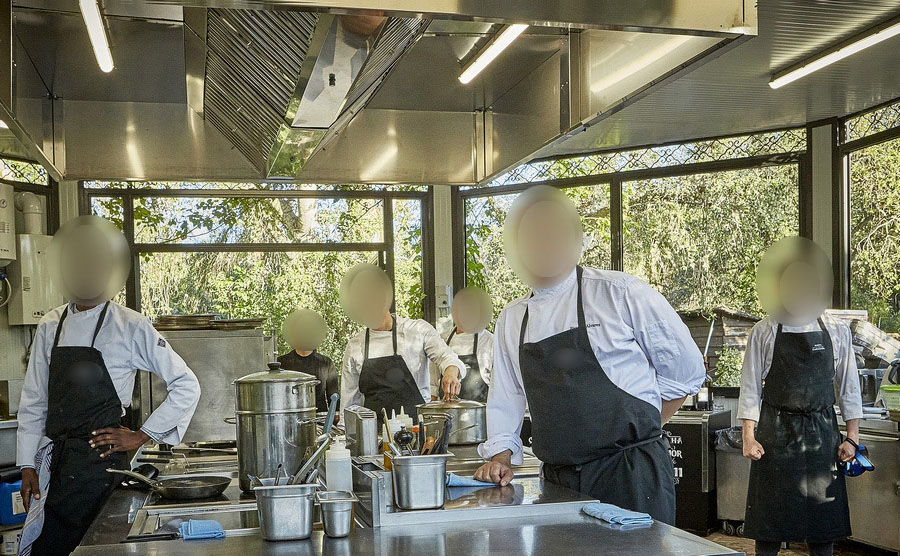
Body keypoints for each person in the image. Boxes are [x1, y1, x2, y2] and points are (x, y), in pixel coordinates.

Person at [473, 185, 705, 524]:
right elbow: (506, 398)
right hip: (559, 482)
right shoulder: (513, 318)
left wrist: (642, 430)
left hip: (631, 475)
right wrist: (500, 458)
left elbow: (685, 374)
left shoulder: (620, 293)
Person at [16, 216, 201, 556]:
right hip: (57, 465)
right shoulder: (50, 325)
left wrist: (141, 435)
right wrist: (27, 465)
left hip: (103, 466)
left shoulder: (130, 325)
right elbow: (34, 401)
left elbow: (187, 384)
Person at [739, 237, 862, 556]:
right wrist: (748, 437)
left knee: (822, 531)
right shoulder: (764, 330)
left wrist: (851, 438)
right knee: (769, 530)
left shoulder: (836, 330)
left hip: (822, 435)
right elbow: (750, 387)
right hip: (775, 436)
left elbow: (848, 386)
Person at [339, 263, 465, 418]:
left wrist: (450, 372)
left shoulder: (416, 330)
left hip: (418, 433)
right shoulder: (355, 346)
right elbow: (349, 406)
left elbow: (447, 357)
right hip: (374, 436)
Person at [430, 287, 494, 402]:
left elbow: (499, 388)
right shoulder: (442, 340)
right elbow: (433, 387)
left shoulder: (489, 341)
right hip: (446, 414)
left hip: (480, 415)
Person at [277, 308, 339, 416]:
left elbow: (333, 397)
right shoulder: (281, 362)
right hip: (290, 419)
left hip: (319, 420)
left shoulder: (326, 363)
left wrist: (336, 418)